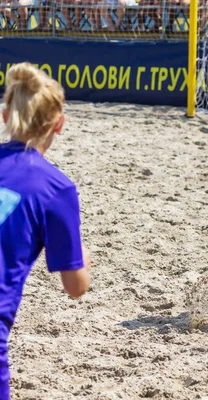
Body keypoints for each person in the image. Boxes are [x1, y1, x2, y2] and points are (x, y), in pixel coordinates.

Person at [0, 63, 92, 398]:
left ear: (6, 114)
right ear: (59, 124)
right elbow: (75, 286)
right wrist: (82, 256)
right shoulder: (56, 188)